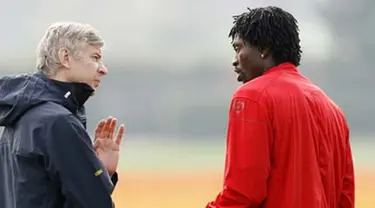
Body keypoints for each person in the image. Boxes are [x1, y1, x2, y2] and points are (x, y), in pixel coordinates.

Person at [206, 6, 355, 208]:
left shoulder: (252, 97)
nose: (234, 60)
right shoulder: (333, 110)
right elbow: (345, 199)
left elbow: (243, 193)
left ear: (264, 49)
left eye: (238, 48)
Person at [0, 22, 125, 208]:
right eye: (95, 57)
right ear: (65, 58)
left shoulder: (18, 116)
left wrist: (98, 172)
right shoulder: (58, 122)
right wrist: (97, 178)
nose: (103, 69)